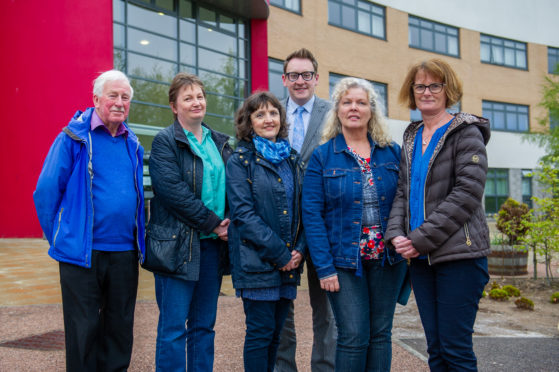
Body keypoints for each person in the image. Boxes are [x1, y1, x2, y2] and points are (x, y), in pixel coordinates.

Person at [33, 70, 144, 372]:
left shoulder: (132, 144)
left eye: (125, 97)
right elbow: (45, 192)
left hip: (124, 252)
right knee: (83, 330)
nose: (120, 103)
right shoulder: (72, 138)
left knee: (119, 329)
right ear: (96, 99)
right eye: (113, 95)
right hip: (81, 253)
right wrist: (61, 236)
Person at [385, 58, 491, 371]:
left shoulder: (466, 132)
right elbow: (403, 192)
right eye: (420, 85)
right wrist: (396, 236)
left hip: (460, 257)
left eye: (435, 85)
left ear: (448, 90)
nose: (427, 91)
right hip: (421, 260)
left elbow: (466, 195)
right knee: (436, 350)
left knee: (455, 350)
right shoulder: (411, 136)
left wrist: (419, 239)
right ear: (412, 91)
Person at [303, 77, 408, 372]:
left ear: (371, 110)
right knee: (352, 336)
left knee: (379, 335)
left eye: (361, 102)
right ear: (337, 109)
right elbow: (312, 214)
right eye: (347, 102)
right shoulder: (323, 157)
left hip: (388, 259)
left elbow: (405, 200)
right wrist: (324, 267)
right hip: (344, 262)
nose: (354, 108)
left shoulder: (392, 152)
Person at [147, 72, 232, 372]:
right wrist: (214, 223)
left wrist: (230, 221)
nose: (196, 102)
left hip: (211, 250)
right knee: (173, 328)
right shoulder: (165, 142)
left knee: (203, 326)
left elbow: (231, 189)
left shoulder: (220, 142)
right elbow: (173, 194)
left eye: (199, 96)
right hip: (176, 248)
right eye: (188, 98)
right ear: (174, 106)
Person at [226, 91, 305, 372]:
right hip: (257, 264)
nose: (268, 119)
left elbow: (303, 210)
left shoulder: (292, 159)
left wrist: (299, 251)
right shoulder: (240, 160)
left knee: (276, 336)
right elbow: (243, 215)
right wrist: (281, 254)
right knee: (260, 334)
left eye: (273, 113)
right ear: (249, 122)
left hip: (289, 264)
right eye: (260, 114)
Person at [276, 47, 336, 372]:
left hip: (324, 224)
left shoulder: (334, 114)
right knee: (281, 308)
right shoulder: (270, 113)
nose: (300, 81)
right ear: (284, 79)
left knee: (326, 309)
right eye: (294, 75)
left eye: (307, 75)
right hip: (282, 227)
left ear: (316, 78)